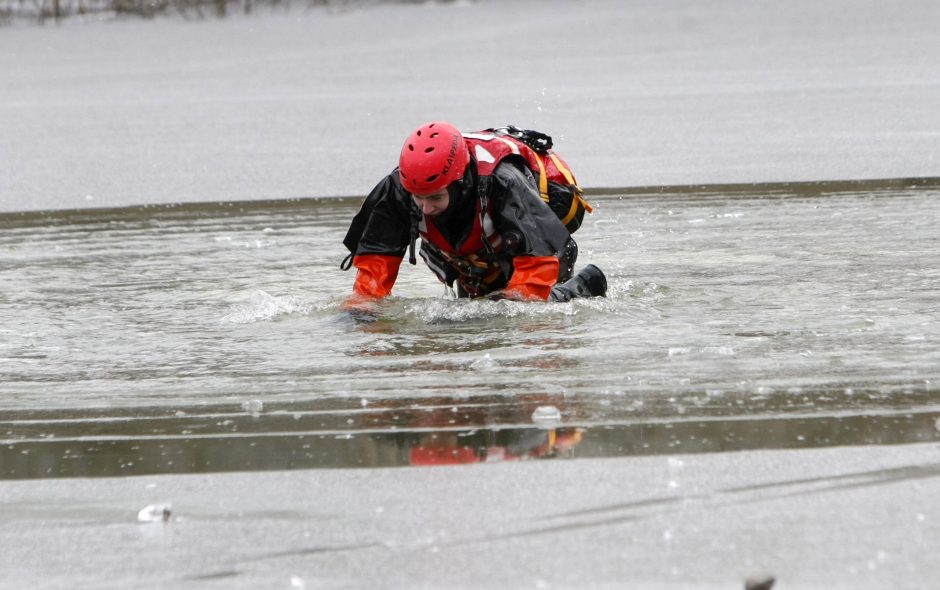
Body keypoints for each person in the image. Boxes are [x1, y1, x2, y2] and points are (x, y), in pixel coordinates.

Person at [343, 121, 606, 309]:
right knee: (478, 300)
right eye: (417, 197)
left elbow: (537, 266)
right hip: (474, 236)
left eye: (435, 197)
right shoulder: (398, 188)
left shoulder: (502, 183)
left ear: (461, 185)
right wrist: (362, 311)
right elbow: (375, 265)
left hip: (542, 231)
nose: (424, 207)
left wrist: (508, 308)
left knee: (525, 309)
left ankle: (584, 285)